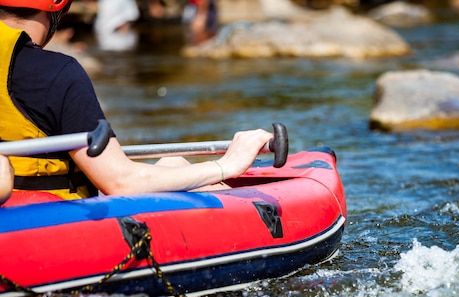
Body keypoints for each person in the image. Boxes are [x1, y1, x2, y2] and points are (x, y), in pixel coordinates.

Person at [0, 0, 273, 200]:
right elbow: (120, 182)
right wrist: (225, 165)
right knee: (195, 177)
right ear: (58, 7)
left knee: (174, 162)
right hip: (51, 226)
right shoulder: (57, 73)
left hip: (12, 213)